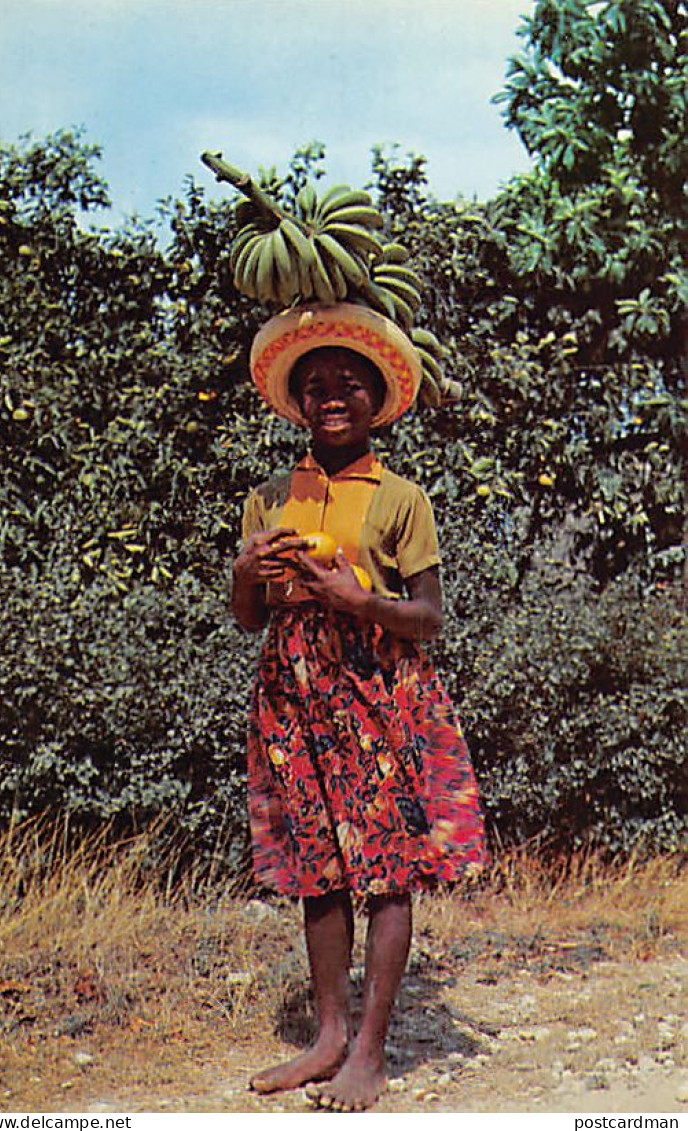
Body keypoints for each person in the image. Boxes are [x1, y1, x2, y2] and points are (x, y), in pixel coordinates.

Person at [230, 303, 486, 1112]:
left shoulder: (401, 497)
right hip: (295, 697)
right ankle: (329, 1036)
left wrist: (359, 599)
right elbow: (249, 615)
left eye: (348, 384)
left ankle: (370, 1051)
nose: (330, 397)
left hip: (377, 693)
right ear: (297, 403)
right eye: (314, 386)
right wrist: (246, 569)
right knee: (318, 866)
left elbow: (431, 616)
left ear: (376, 399)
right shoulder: (272, 495)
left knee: (387, 867)